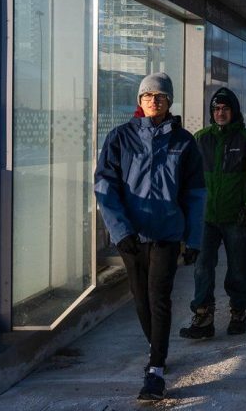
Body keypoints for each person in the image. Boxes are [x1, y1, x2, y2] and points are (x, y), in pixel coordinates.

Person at [94, 72, 205, 401]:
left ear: (169, 101)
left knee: (159, 298)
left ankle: (155, 369)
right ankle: (156, 348)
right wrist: (120, 230)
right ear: (139, 101)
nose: (153, 101)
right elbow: (105, 187)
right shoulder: (120, 137)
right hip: (132, 236)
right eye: (147, 96)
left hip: (166, 235)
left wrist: (194, 239)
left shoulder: (183, 142)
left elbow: (196, 194)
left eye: (160, 96)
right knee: (141, 301)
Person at [181, 87, 246, 340]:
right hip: (205, 219)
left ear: (234, 111)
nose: (220, 113)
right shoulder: (200, 139)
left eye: (225, 109)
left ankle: (238, 312)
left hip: (237, 217)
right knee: (202, 267)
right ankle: (203, 316)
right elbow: (187, 178)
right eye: (216, 109)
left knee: (238, 268)